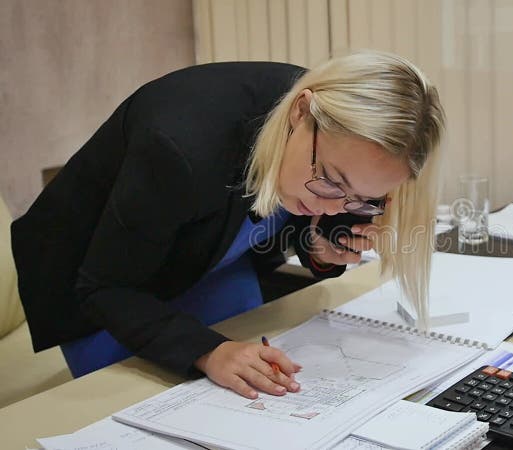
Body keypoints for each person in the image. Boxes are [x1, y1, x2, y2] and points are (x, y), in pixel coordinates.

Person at [11, 51, 444, 399]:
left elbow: (286, 218)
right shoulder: (178, 148)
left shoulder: (338, 136)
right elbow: (104, 286)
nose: (338, 206)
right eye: (332, 182)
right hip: (103, 289)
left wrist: (318, 248)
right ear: (300, 113)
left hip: (212, 262)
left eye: (363, 198)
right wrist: (207, 350)